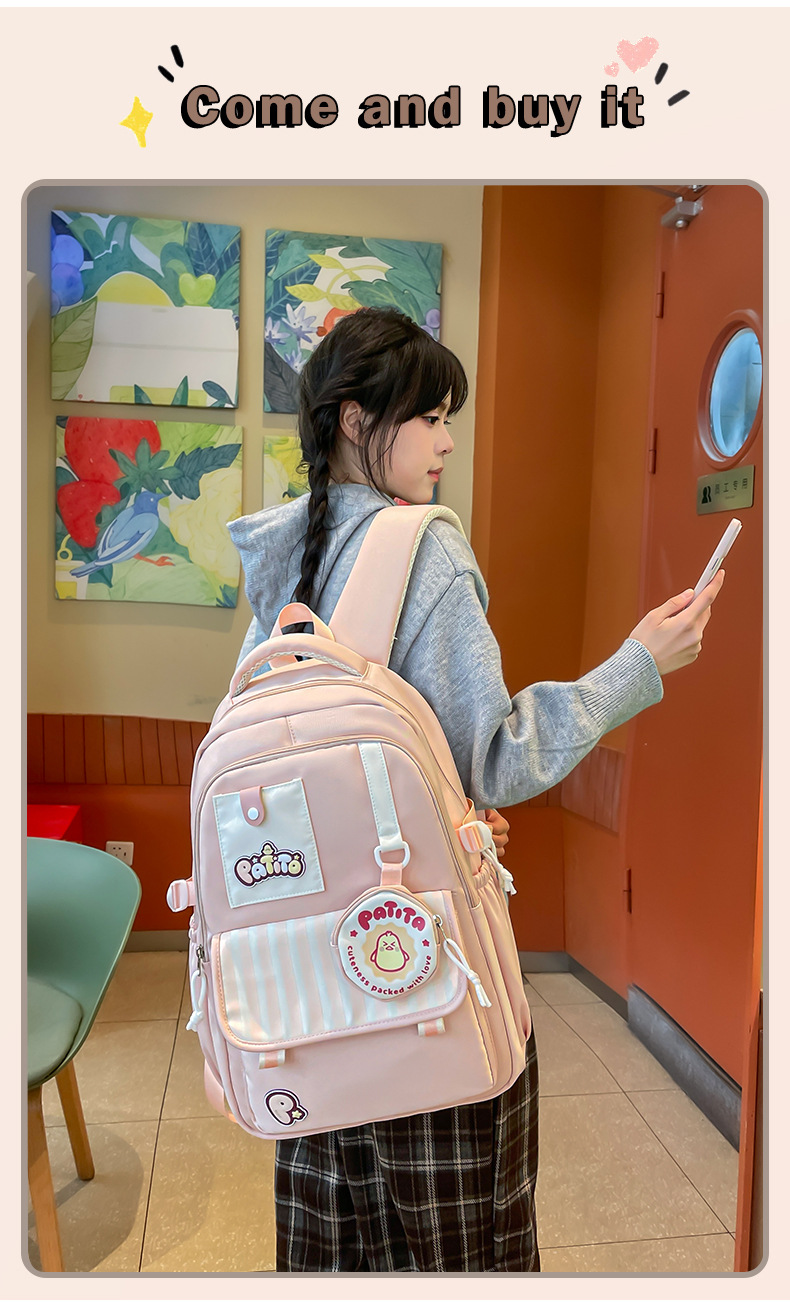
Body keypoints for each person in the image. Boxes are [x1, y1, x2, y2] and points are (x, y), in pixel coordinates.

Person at [228, 307, 724, 1273]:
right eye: (431, 417)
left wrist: (437, 799)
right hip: (420, 963)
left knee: (338, 1235)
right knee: (459, 1244)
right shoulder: (426, 550)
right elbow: (494, 757)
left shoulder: (282, 553)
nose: (448, 441)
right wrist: (639, 664)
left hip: (306, 975)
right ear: (356, 421)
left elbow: (291, 765)